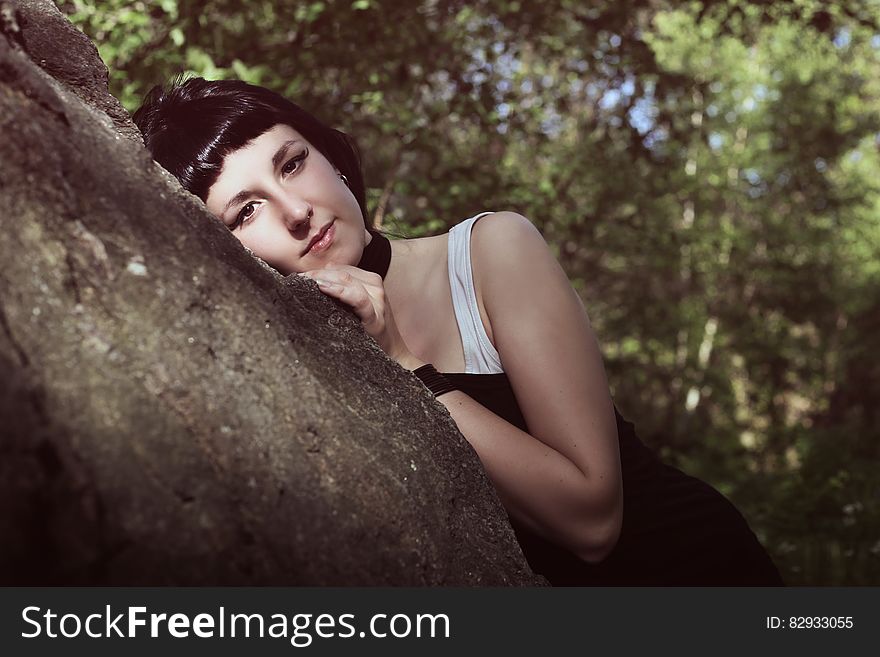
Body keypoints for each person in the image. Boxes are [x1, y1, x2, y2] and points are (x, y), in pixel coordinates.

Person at [133, 77, 784, 586]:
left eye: (292, 163)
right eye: (246, 211)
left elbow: (593, 519)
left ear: (330, 155)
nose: (297, 211)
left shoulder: (489, 251)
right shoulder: (278, 367)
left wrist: (403, 363)